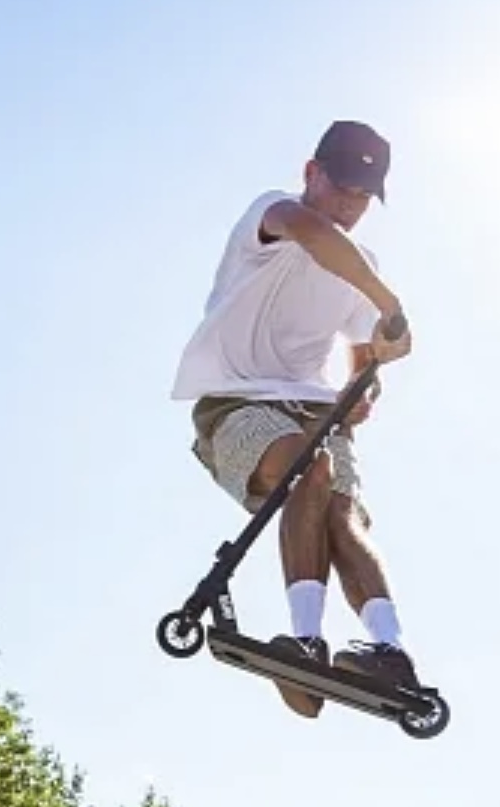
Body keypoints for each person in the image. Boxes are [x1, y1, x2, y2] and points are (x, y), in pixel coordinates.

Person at [171, 120, 418, 719]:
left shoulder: (366, 264)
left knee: (343, 512)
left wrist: (367, 385)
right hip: (238, 403)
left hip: (314, 409)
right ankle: (306, 639)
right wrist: (392, 305)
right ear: (312, 173)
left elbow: (364, 357)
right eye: (340, 190)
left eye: (361, 199)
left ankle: (390, 651)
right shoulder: (276, 215)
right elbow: (315, 236)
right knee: (310, 471)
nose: (347, 207)